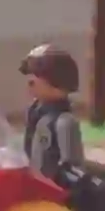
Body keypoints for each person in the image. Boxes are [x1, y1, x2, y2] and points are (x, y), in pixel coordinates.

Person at [19, 44, 86, 178]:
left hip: (52, 188)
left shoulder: (64, 122)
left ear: (58, 81)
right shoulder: (34, 112)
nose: (30, 81)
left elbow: (73, 169)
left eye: (37, 75)